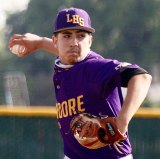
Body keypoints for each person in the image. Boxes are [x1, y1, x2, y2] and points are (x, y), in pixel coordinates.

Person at [9, 7, 152, 159]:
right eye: (67, 35)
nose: (74, 42)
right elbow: (65, 51)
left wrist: (121, 121)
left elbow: (142, 77)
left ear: (89, 41)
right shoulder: (63, 64)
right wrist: (39, 42)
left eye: (81, 35)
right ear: (55, 41)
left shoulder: (94, 67)